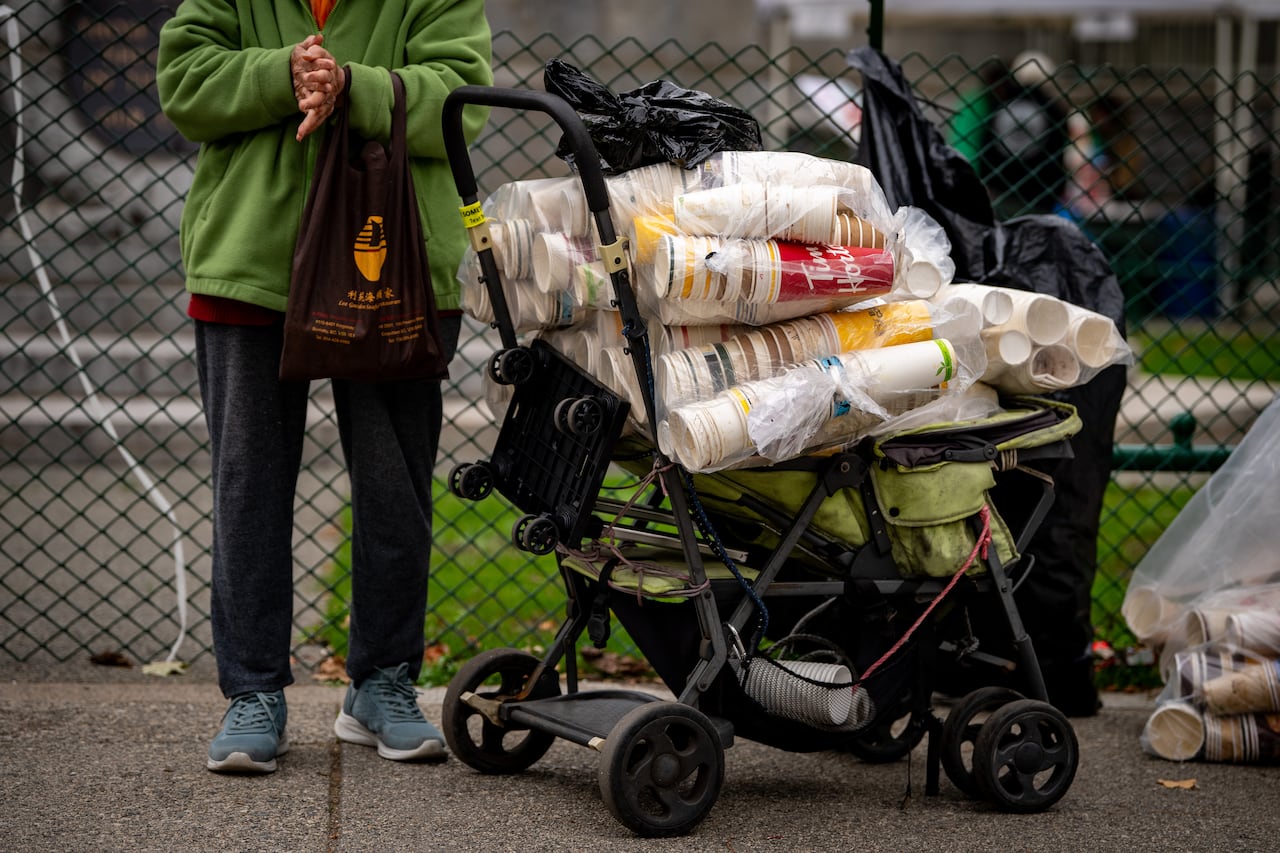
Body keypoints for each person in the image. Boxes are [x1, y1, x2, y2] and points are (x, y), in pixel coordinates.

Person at [156, 0, 493, 773]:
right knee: (249, 482)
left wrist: (353, 87)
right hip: (251, 260)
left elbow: (459, 99)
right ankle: (254, 692)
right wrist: (282, 74)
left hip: (393, 265)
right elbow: (184, 81)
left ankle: (382, 682)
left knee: (393, 485)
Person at [949, 51, 1070, 220]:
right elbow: (1058, 151)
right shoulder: (1055, 109)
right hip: (1039, 193)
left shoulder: (998, 104)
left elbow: (986, 144)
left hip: (1000, 188)